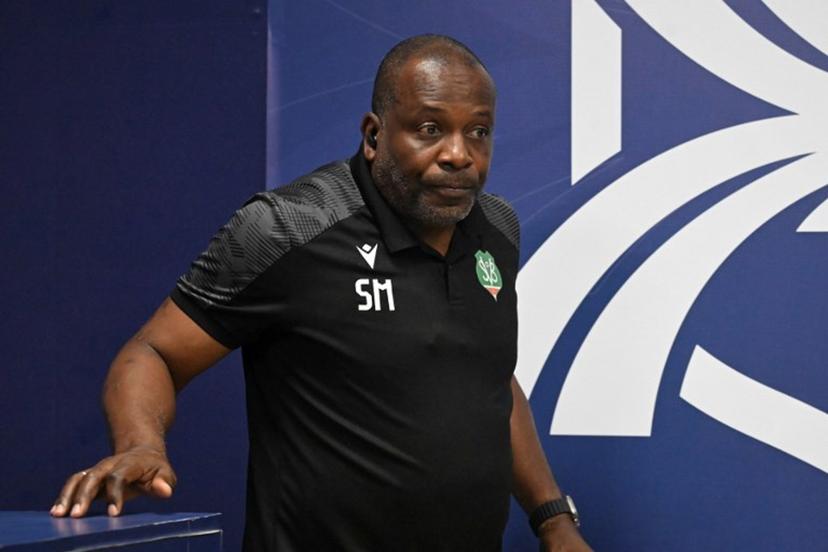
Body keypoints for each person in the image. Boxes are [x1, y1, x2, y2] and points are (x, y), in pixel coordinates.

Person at [51, 34, 591, 551]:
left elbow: (488, 376)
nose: (459, 154)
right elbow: (153, 352)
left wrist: (553, 519)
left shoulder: (496, 229)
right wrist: (141, 443)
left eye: (478, 131)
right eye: (429, 129)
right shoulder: (288, 229)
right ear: (374, 136)